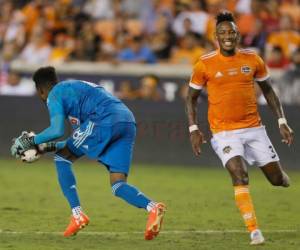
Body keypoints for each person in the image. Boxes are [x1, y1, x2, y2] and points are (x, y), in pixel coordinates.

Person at [11, 66, 166, 240]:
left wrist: (30, 141)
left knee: (62, 158)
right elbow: (74, 144)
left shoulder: (55, 94)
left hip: (104, 119)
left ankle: (77, 215)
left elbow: (57, 130)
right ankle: (152, 208)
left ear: (40, 90)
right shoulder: (75, 92)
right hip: (127, 121)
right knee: (118, 185)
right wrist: (43, 147)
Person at [185, 12, 293, 246]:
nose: (227, 36)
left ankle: (283, 179)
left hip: (254, 129)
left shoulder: (253, 60)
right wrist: (194, 128)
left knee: (276, 179)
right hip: (224, 132)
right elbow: (191, 98)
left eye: (231, 32)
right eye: (222, 32)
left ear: (238, 34)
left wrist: (282, 122)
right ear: (215, 36)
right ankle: (254, 230)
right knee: (239, 173)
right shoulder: (204, 63)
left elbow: (269, 92)